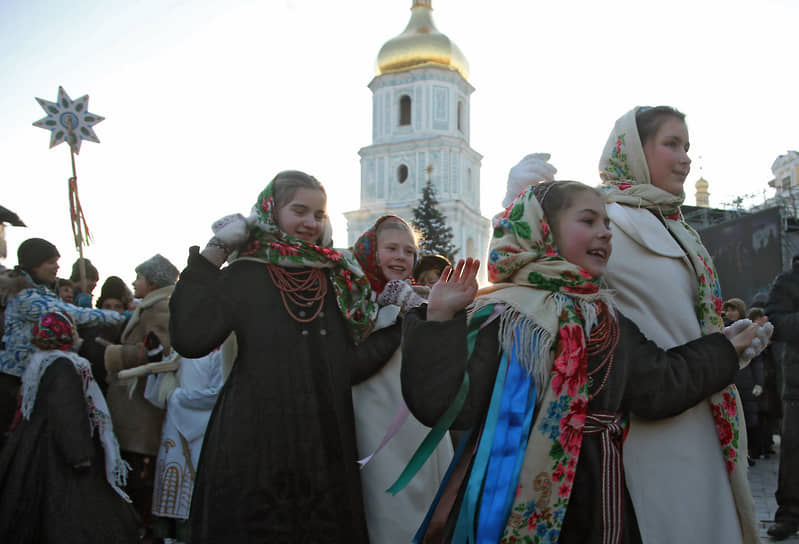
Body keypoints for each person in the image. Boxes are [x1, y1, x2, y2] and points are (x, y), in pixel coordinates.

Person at [400, 180, 767, 542]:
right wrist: (439, 321)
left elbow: (659, 385)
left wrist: (724, 349)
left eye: (607, 223)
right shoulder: (505, 315)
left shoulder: (605, 317)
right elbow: (446, 406)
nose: (606, 233)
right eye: (588, 221)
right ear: (542, 229)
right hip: (506, 500)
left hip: (600, 502)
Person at [168, 170, 402, 542]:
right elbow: (191, 337)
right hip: (254, 438)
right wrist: (214, 253)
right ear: (271, 211)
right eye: (299, 211)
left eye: (318, 214)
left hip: (322, 443)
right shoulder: (244, 274)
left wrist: (401, 326)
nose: (310, 223)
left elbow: (345, 367)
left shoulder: (335, 279)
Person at [596, 106, 759, 543]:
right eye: (671, 144)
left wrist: (732, 346)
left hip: (703, 414)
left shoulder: (675, 227)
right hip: (649, 430)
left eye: (686, 146)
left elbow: (680, 325)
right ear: (633, 150)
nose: (685, 158)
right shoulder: (604, 224)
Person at [351, 215, 453, 543]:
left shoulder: (421, 299)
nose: (400, 257)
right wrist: (392, 311)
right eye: (390, 248)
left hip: (415, 419)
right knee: (385, 509)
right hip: (372, 419)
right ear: (370, 251)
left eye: (409, 251)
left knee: (423, 504)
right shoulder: (353, 298)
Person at [0, 312, 137, 543]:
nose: (76, 334)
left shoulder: (41, 361)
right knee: (67, 512)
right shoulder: (64, 365)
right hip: (57, 451)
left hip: (33, 443)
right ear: (63, 334)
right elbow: (68, 410)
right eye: (72, 329)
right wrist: (79, 454)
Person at [0, 238, 126, 448]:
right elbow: (70, 313)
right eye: (50, 261)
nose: (57, 266)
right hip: (13, 380)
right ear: (34, 264)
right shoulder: (25, 296)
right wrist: (120, 316)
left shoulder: (41, 290)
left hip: (29, 377)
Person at [103, 254, 179, 543]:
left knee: (138, 469)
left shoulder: (161, 306)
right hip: (134, 399)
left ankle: (144, 528)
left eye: (139, 277)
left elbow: (159, 349)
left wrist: (112, 355)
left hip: (141, 404)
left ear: (152, 281)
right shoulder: (153, 304)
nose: (134, 283)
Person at [145, 349, 224, 544]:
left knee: (191, 499)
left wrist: (178, 398)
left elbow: (218, 393)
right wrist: (156, 360)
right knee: (170, 499)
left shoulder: (219, 354)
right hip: (171, 432)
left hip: (199, 431)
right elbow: (158, 397)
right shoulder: (177, 350)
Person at [765, 254, 799, 539]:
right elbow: (774, 321)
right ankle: (789, 514)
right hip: (798, 388)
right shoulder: (789, 281)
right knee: (794, 454)